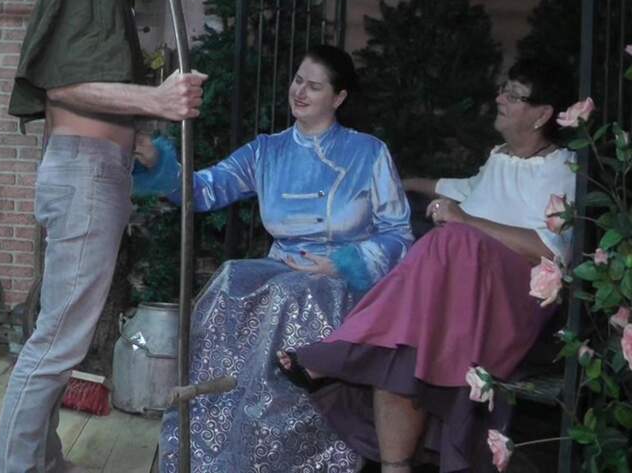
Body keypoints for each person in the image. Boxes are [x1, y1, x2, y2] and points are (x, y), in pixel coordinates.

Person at [279, 58, 577, 473]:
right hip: (462, 300)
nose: (500, 99)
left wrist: (465, 221)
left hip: (514, 303)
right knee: (401, 350)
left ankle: (341, 350)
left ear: (542, 114)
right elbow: (460, 188)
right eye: (503, 89)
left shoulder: (562, 169)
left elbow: (550, 250)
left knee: (450, 238)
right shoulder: (500, 158)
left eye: (513, 95)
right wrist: (398, 183)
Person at [0, 0, 203, 473]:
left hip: (94, 168)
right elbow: (63, 86)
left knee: (59, 332)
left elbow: (84, 87)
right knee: (58, 339)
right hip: (84, 173)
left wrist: (136, 140)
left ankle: (42, 459)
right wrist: (156, 99)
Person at [133, 45, 414, 472]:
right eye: (298, 80)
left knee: (289, 296)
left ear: (338, 97)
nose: (300, 92)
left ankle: (290, 457)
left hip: (343, 283)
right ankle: (212, 446)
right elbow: (204, 190)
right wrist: (158, 161)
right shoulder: (267, 151)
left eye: (314, 86)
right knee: (231, 278)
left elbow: (399, 234)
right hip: (282, 269)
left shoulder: (369, 152)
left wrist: (343, 263)